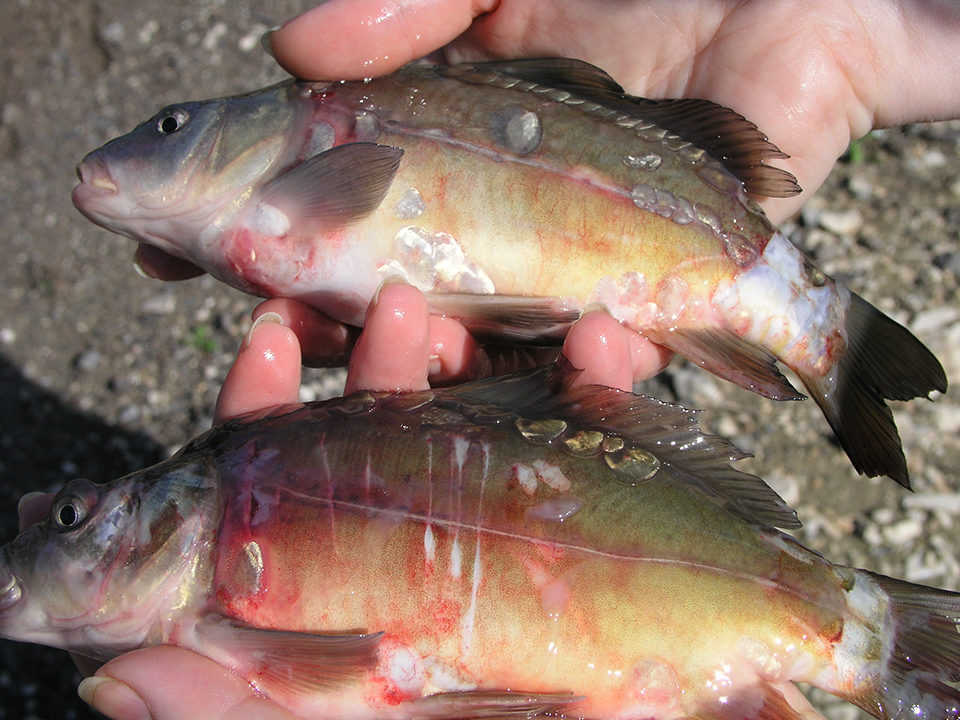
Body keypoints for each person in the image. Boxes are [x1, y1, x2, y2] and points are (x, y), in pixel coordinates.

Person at [54, 1, 960, 717]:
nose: (150, 145)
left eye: (174, 125)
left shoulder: (316, 129)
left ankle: (826, 363)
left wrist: (849, 29)